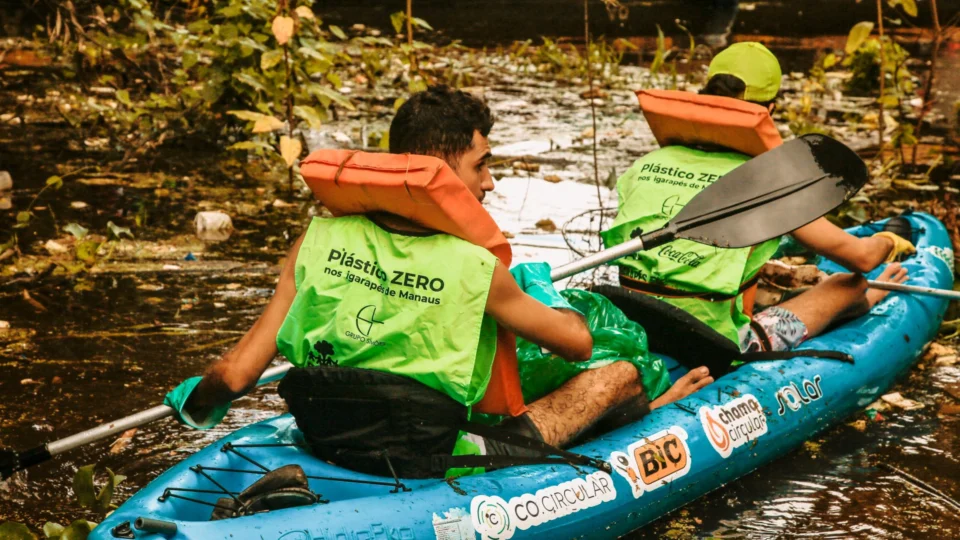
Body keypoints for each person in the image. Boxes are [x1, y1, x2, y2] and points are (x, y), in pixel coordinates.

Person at [163, 87, 712, 473]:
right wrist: (553, 304)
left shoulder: (316, 238)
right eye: (481, 165)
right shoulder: (475, 265)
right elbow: (577, 344)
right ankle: (650, 421)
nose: (491, 183)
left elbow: (235, 376)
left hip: (327, 433)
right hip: (433, 453)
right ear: (441, 173)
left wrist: (199, 402)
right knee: (613, 374)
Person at [603, 42, 915, 355]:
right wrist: (888, 241)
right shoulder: (771, 182)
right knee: (849, 284)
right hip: (709, 343)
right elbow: (862, 258)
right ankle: (868, 301)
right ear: (770, 110)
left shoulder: (645, 164)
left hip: (636, 320)